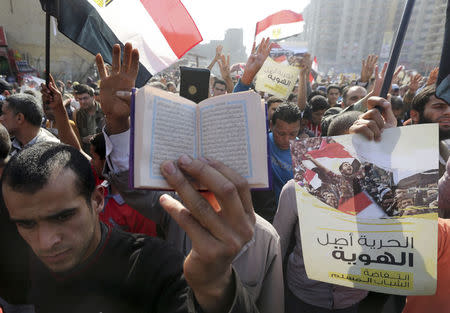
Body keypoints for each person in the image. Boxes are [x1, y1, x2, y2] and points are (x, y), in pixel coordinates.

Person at [99, 43, 283, 313]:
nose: (206, 178)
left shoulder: (267, 240)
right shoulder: (177, 214)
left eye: (216, 166)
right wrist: (117, 122)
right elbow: (133, 188)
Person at [73, 83, 105, 154]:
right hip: (86, 154)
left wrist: (98, 138)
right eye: (80, 99)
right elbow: (76, 136)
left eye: (85, 98)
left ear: (93, 97)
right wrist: (83, 139)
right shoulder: (77, 114)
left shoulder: (104, 110)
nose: (82, 102)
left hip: (103, 154)